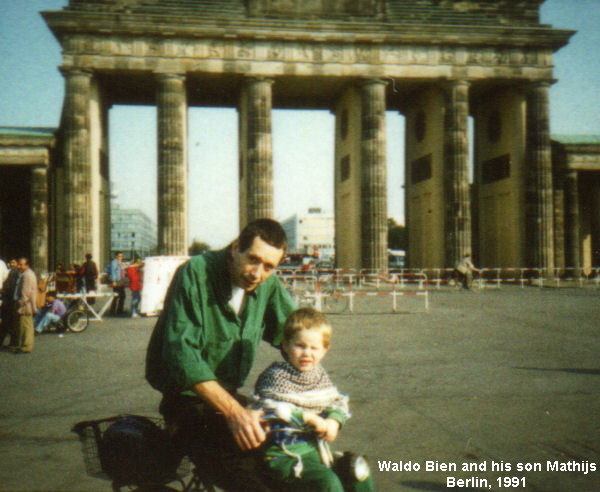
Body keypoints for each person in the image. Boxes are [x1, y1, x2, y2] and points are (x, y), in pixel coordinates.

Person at [146, 218, 296, 491]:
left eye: (269, 267)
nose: (257, 274)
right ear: (236, 247)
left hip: (230, 399)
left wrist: (312, 382)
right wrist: (234, 413)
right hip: (187, 402)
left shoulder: (267, 284)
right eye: (253, 259)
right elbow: (182, 354)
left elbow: (296, 333)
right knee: (249, 481)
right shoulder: (196, 273)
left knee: (285, 462)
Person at [252, 307, 374, 492]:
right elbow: (267, 408)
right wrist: (307, 417)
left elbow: (336, 401)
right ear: (285, 345)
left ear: (324, 350)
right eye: (300, 346)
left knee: (358, 472)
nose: (307, 353)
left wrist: (333, 421)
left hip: (316, 452)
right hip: (285, 455)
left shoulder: (319, 376)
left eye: (314, 347)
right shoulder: (275, 375)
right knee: (327, 483)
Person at [13, 257, 38, 354]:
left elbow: (26, 292)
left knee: (25, 326)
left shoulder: (27, 275)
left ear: (27, 265)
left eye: (21, 264)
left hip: (25, 305)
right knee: (25, 325)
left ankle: (26, 346)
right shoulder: (27, 274)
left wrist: (20, 303)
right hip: (26, 303)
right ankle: (24, 345)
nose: (19, 266)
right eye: (19, 264)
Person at [0, 259, 19, 348]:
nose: (12, 264)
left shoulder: (13, 273)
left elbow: (8, 286)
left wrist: (3, 293)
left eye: (14, 262)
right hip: (9, 298)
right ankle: (14, 341)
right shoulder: (6, 268)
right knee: (10, 322)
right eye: (11, 262)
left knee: (6, 321)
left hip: (8, 299)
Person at [109, 251, 126, 316]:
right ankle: (113, 311)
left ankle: (119, 310)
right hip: (117, 281)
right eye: (119, 256)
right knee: (116, 296)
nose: (121, 257)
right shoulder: (114, 263)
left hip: (121, 281)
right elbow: (113, 272)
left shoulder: (120, 263)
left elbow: (122, 271)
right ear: (116, 256)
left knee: (122, 296)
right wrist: (114, 281)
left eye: (122, 256)